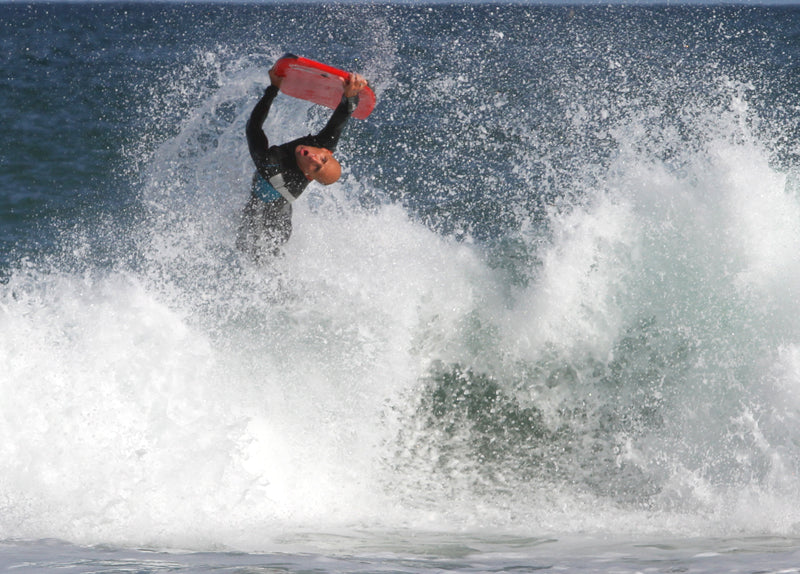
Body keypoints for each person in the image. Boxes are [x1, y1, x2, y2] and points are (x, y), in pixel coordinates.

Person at [236, 62, 368, 260]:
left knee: (250, 251)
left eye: (316, 166)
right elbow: (342, 116)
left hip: (266, 218)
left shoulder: (271, 164)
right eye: (322, 158)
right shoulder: (323, 146)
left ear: (309, 175)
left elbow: (253, 127)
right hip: (282, 211)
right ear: (327, 152)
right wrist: (350, 96)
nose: (314, 158)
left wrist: (273, 88)